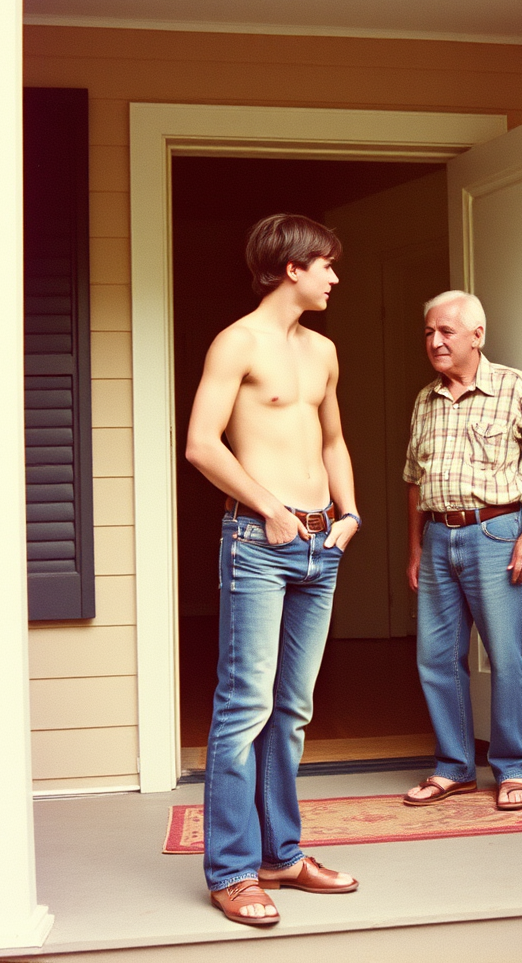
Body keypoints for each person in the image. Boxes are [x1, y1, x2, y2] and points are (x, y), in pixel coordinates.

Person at [185, 213, 361, 926]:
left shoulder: (323, 350)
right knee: (244, 709)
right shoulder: (237, 342)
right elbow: (202, 445)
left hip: (323, 545)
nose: (334, 276)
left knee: (291, 713)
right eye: (326, 264)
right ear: (292, 266)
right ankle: (231, 871)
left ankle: (281, 856)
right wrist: (268, 507)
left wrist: (350, 516)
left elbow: (336, 438)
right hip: (259, 541)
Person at [402, 291, 522, 812]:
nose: (435, 341)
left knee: (504, 656)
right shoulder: (424, 401)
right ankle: (453, 768)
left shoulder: (514, 389)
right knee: (436, 658)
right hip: (436, 538)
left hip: (496, 534)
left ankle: (514, 768)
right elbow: (413, 482)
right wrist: (413, 550)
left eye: (446, 332)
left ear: (477, 335)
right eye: (429, 332)